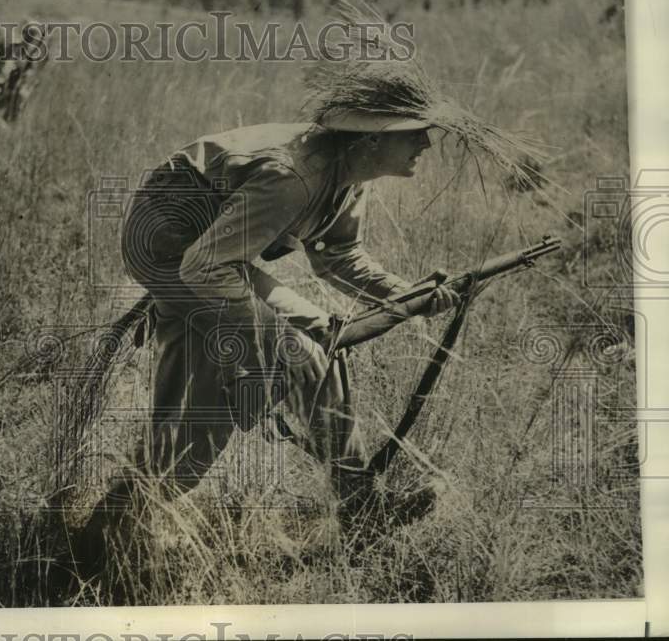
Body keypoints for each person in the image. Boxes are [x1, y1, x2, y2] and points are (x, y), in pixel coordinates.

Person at [66, 84, 464, 589]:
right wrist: (257, 353)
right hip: (170, 250)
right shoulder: (295, 176)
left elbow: (338, 257)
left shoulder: (347, 172)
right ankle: (110, 532)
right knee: (254, 385)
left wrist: (407, 294)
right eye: (414, 134)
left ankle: (359, 505)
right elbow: (205, 266)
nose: (426, 145)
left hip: (206, 256)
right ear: (370, 140)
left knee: (317, 347)